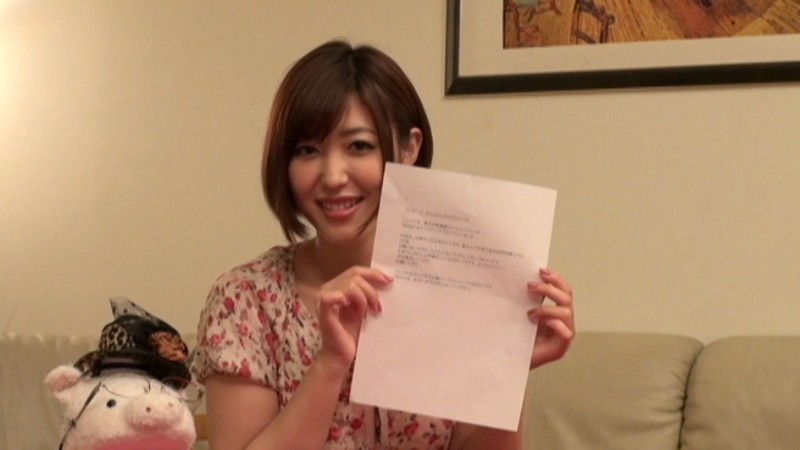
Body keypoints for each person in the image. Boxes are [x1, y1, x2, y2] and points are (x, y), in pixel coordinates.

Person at [190, 39, 576, 450]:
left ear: (409, 149)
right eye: (307, 150)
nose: (333, 176)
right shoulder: (244, 300)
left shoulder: (458, 288)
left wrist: (507, 369)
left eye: (359, 146)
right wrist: (330, 363)